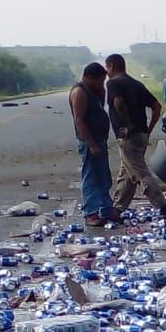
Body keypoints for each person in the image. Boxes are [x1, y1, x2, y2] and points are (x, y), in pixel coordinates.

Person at [104, 54, 166, 214]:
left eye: (107, 68)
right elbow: (156, 106)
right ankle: (118, 208)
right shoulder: (137, 84)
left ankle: (163, 205)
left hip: (128, 136)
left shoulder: (113, 84)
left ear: (112, 66)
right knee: (127, 172)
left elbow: (118, 102)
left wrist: (127, 124)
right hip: (141, 134)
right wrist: (148, 129)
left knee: (140, 172)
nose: (107, 72)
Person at [68, 61, 115, 227]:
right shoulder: (79, 92)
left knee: (103, 176)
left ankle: (107, 209)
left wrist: (101, 89)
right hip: (90, 142)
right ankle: (91, 213)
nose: (102, 84)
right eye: (99, 80)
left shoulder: (94, 90)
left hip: (100, 139)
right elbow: (80, 121)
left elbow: (101, 107)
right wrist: (92, 144)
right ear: (89, 77)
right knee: (91, 177)